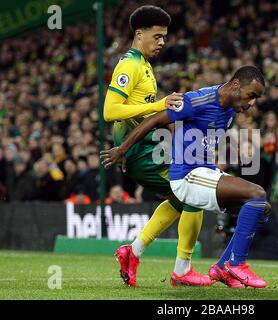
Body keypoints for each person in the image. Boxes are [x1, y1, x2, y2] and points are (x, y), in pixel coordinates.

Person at [101, 66, 270, 288]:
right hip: (187, 176)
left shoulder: (229, 109)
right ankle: (232, 264)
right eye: (252, 95)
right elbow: (154, 121)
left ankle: (222, 267)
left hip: (204, 171)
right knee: (256, 194)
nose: (252, 103)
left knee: (262, 207)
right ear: (236, 85)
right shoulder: (198, 100)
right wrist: (123, 149)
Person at [103, 5, 212, 287]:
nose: (162, 42)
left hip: (145, 148)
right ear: (139, 35)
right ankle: (182, 270)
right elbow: (110, 111)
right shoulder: (129, 65)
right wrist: (159, 105)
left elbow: (141, 113)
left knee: (180, 200)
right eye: (157, 36)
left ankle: (133, 252)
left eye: (164, 37)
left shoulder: (145, 66)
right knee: (193, 196)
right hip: (142, 154)